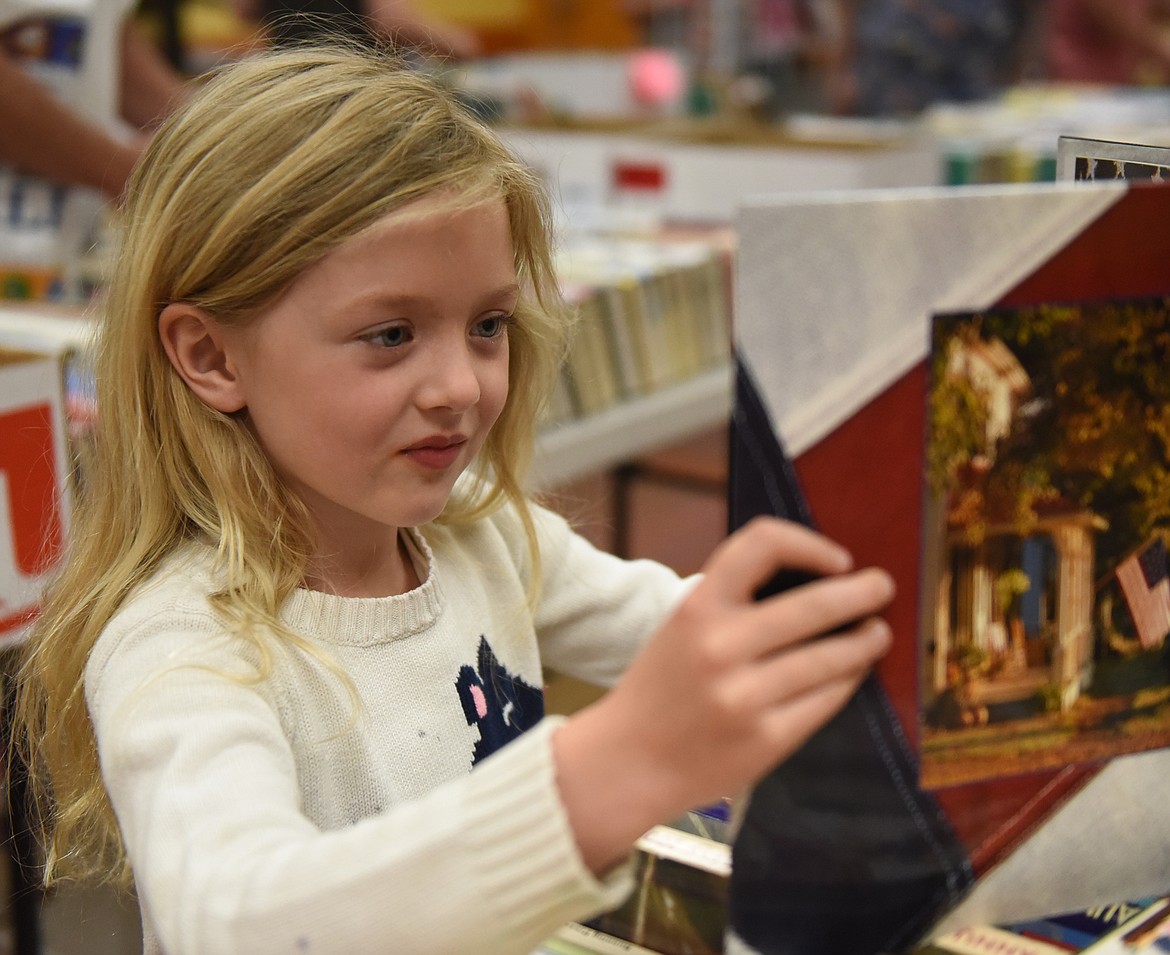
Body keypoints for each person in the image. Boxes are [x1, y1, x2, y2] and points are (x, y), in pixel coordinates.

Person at [10, 45, 894, 955]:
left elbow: (676, 625)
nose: (461, 387)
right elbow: (236, 921)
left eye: (488, 326)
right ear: (211, 357)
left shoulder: (482, 534)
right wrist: (610, 769)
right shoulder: (180, 645)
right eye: (391, 334)